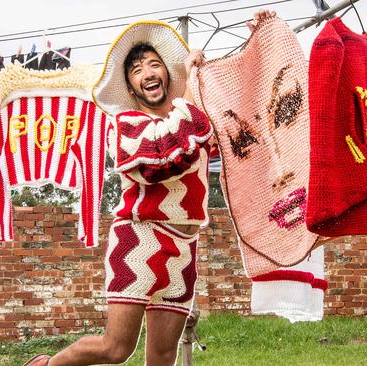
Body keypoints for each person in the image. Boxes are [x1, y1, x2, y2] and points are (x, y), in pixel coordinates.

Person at [25, 11, 273, 366]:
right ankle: (46, 365)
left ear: (166, 74)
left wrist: (257, 44)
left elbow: (239, 130)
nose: (148, 73)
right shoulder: (128, 125)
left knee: (162, 354)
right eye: (137, 70)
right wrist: (190, 85)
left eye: (154, 65)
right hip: (139, 240)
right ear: (130, 87)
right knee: (116, 349)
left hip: (185, 246)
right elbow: (162, 160)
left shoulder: (195, 120)